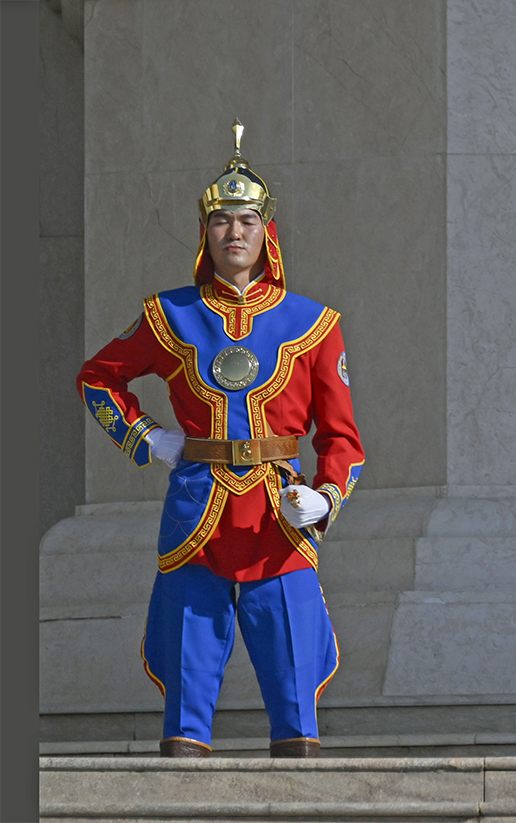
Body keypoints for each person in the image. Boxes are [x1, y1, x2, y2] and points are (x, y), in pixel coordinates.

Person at [76, 122, 366, 758]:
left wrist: (325, 496)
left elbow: (343, 439)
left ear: (267, 230)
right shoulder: (168, 314)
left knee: (295, 699)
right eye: (221, 221)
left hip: (279, 517)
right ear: (205, 232)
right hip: (196, 510)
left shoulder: (315, 324)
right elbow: (98, 380)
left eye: (247, 220)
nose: (234, 233)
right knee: (186, 694)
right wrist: (146, 436)